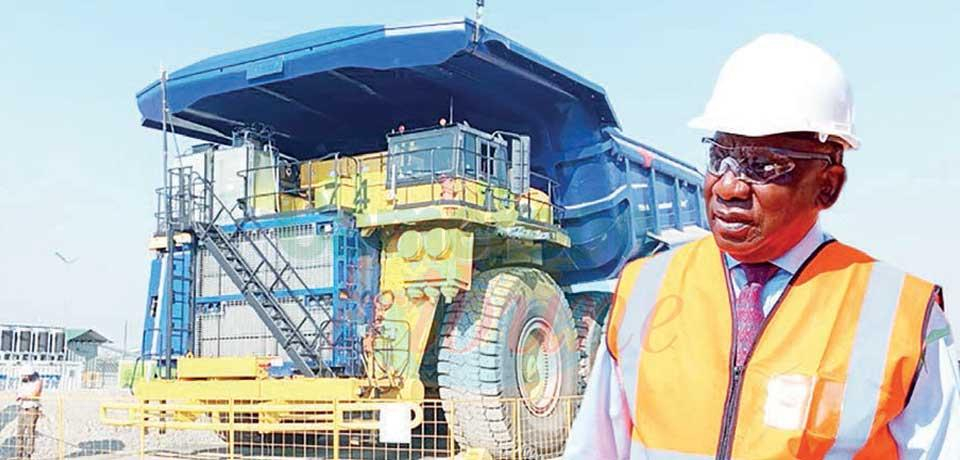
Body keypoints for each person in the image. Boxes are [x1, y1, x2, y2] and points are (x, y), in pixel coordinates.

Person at [564, 34, 959, 459]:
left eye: (763, 165)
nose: (729, 186)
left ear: (827, 186)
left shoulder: (899, 315)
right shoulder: (645, 290)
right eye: (720, 158)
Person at [15, 364, 42, 459]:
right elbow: (18, 392)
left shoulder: (38, 381)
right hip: (22, 407)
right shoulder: (22, 382)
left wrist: (23, 396)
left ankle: (28, 454)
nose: (23, 377)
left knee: (30, 432)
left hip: (32, 408)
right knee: (20, 432)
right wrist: (20, 396)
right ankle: (19, 454)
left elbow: (35, 394)